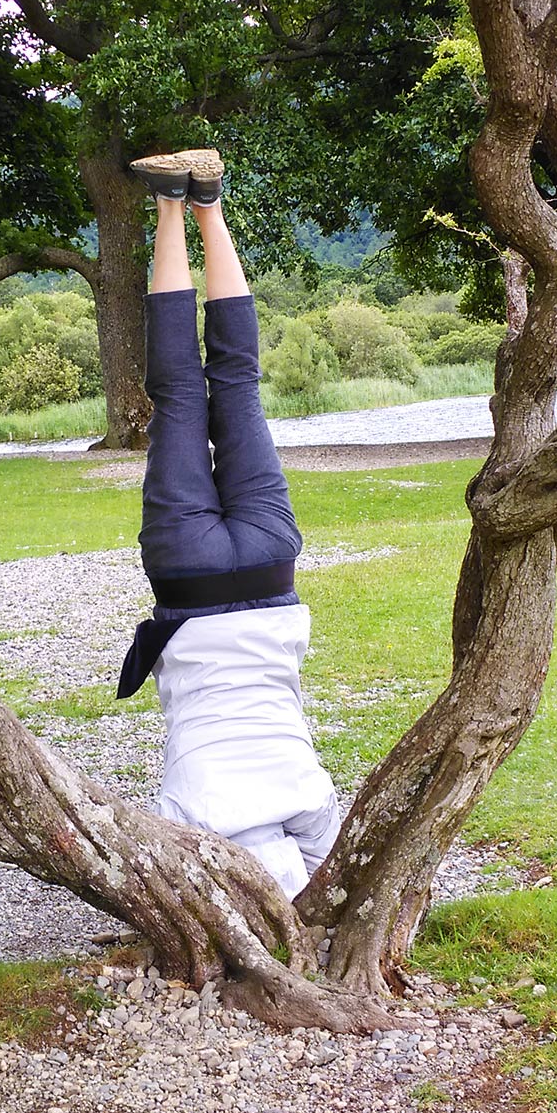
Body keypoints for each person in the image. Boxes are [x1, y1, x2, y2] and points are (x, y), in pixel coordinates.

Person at [116, 148, 339, 898]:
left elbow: (325, 872)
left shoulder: (312, 806)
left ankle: (207, 202)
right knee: (178, 392)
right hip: (192, 582)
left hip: (272, 576)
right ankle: (171, 204)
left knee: (238, 384)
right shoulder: (189, 821)